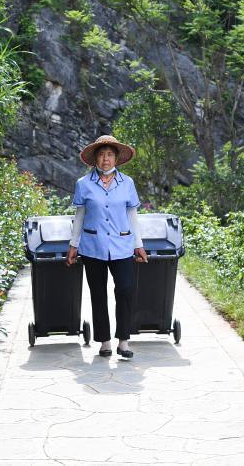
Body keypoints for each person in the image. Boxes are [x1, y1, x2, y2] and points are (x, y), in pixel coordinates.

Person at [65, 135, 147, 359]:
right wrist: (74, 244)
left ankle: (124, 340)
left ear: (117, 158)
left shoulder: (127, 183)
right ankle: (105, 341)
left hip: (122, 245)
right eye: (101, 155)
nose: (105, 159)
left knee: (126, 289)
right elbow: (80, 214)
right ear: (95, 159)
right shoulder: (84, 184)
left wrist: (138, 244)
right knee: (98, 294)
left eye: (110, 154)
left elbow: (132, 213)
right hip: (93, 246)